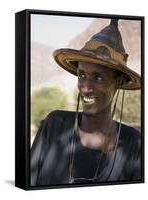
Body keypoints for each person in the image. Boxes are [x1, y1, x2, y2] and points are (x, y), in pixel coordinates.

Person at [31, 19, 141, 186]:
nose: (86, 87)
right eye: (82, 75)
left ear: (118, 82)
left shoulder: (134, 143)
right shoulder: (54, 125)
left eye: (98, 77)